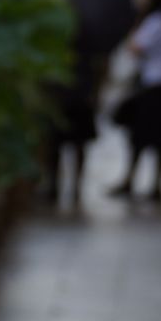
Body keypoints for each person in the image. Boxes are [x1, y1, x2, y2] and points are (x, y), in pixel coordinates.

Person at [108, 0, 161, 203]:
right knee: (153, 138)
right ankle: (144, 183)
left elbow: (136, 48)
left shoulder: (156, 21)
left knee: (147, 137)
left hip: (157, 86)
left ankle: (144, 183)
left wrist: (132, 27)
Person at [43, 51, 103, 208]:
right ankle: (59, 186)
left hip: (72, 96)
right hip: (70, 95)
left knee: (67, 145)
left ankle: (65, 186)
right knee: (61, 145)